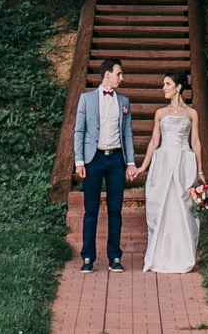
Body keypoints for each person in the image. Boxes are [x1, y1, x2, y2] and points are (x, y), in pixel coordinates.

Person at [131, 71, 208, 273]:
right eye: (163, 84)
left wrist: (200, 170)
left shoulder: (191, 114)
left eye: (167, 84)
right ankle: (159, 256)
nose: (163, 88)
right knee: (161, 208)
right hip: (163, 163)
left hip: (183, 163)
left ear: (178, 87)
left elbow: (196, 142)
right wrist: (143, 167)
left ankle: (183, 255)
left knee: (183, 209)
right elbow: (154, 142)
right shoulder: (160, 113)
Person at [72, 57, 132, 272]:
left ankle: (114, 257)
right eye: (119, 74)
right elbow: (79, 131)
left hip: (116, 159)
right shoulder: (86, 99)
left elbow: (127, 134)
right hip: (93, 159)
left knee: (115, 210)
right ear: (107, 74)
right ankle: (88, 257)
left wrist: (130, 162)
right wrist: (79, 161)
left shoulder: (124, 102)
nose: (121, 78)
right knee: (91, 210)